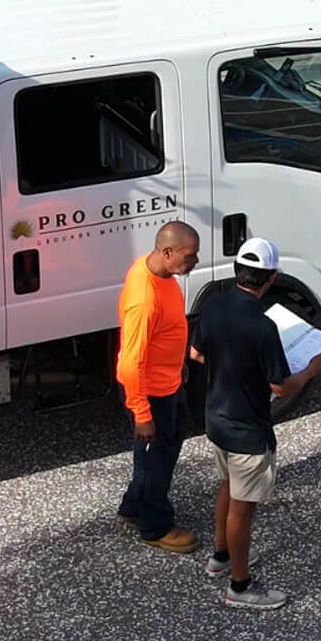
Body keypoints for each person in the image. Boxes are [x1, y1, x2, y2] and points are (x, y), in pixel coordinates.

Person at [189, 237, 321, 611]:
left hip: (215, 419)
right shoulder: (263, 327)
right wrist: (312, 370)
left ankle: (219, 556)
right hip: (248, 429)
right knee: (243, 505)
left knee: (226, 484)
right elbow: (281, 388)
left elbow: (196, 353)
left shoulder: (213, 304)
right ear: (271, 278)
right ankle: (240, 584)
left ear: (238, 271)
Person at [115, 221, 201, 552]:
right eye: (189, 256)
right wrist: (142, 413)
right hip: (152, 393)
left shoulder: (155, 271)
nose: (193, 262)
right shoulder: (144, 299)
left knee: (150, 455)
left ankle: (133, 506)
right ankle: (156, 526)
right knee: (158, 459)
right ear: (167, 252)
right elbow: (130, 362)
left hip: (166, 382)